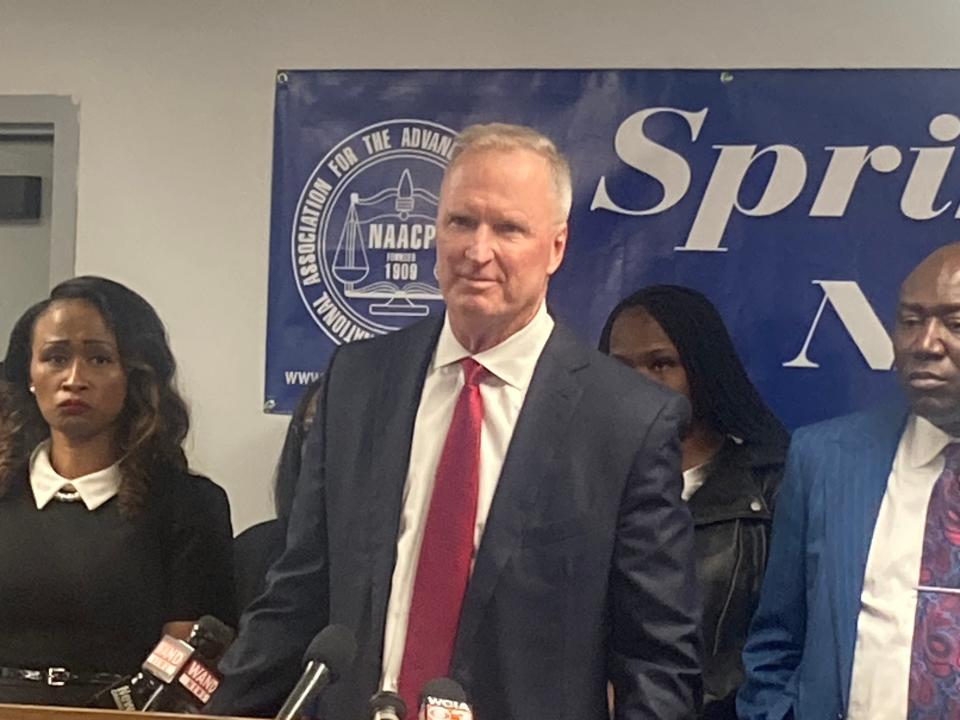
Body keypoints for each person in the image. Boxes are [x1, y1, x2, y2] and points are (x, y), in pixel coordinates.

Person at [205, 123, 702, 720]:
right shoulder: (360, 381)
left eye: (509, 228)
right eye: (461, 221)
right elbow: (297, 596)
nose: (477, 250)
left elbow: (659, 662)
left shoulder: (626, 419)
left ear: (557, 247)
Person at [739, 242, 960, 719]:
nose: (925, 344)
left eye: (955, 324)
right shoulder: (826, 460)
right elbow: (777, 641)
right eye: (910, 320)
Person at [0, 276, 236, 706]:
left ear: (135, 374)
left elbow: (187, 669)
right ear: (29, 376)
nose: (74, 379)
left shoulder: (188, 505)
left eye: (99, 359)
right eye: (54, 358)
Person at [598, 285, 788, 719]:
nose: (638, 384)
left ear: (703, 371)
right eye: (620, 366)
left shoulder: (772, 487)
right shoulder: (572, 479)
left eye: (661, 364)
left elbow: (784, 651)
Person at [234, 375, 325, 611]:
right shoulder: (253, 552)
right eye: (311, 427)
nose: (321, 447)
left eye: (337, 430)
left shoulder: (399, 560)